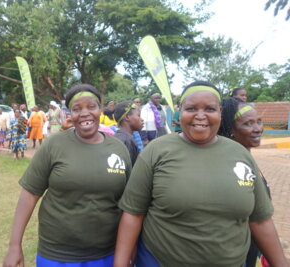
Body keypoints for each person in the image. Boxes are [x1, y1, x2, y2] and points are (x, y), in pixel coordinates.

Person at [114, 81, 288, 267]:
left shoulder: (240, 155)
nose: (200, 116)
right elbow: (133, 214)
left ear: (220, 112)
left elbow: (260, 221)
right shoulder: (156, 151)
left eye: (210, 109)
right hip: (160, 261)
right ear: (180, 110)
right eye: (191, 108)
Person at [3, 84, 132, 267]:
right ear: (70, 113)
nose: (85, 113)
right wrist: (14, 245)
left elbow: (128, 204)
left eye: (91, 106)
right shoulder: (54, 145)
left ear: (100, 110)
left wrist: (129, 248)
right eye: (77, 109)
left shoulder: (119, 149)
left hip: (107, 253)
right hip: (58, 255)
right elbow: (29, 194)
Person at [219, 97, 271, 267]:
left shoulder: (247, 161)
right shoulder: (232, 167)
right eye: (248, 124)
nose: (258, 129)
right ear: (230, 129)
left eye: (259, 122)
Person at [113, 101, 144, 165]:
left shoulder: (119, 137)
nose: (142, 119)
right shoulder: (126, 141)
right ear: (127, 117)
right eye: (139, 115)